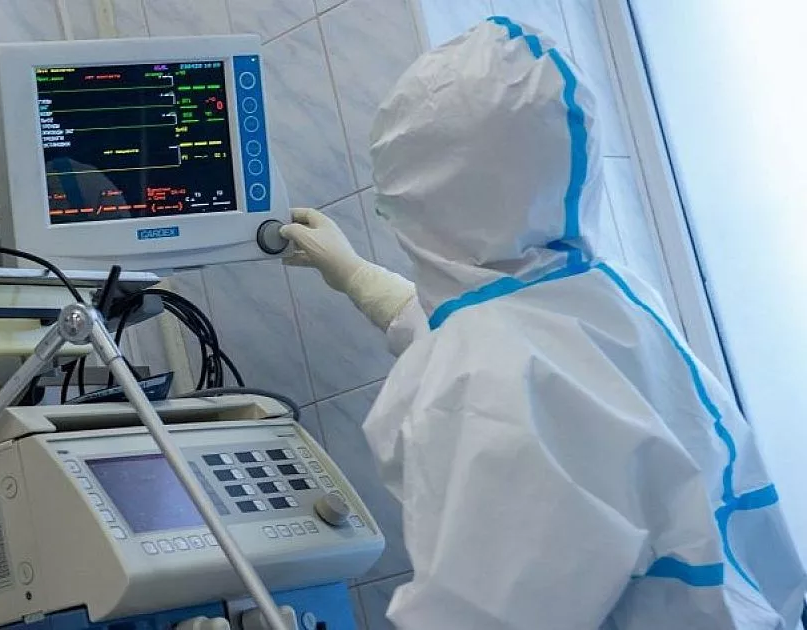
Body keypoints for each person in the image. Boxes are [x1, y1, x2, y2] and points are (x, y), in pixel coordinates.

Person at [279, 17, 806, 630]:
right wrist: (354, 274)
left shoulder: (480, 380)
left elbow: (481, 616)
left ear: (424, 197)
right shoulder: (608, 299)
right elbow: (507, 332)